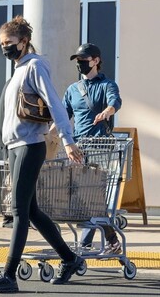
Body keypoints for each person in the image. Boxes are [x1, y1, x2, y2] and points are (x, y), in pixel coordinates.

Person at [0, 15, 84, 293]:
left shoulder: (35, 65)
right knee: (32, 211)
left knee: (18, 212)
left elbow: (54, 103)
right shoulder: (18, 69)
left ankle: (9, 276)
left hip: (30, 145)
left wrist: (67, 139)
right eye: (2, 44)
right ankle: (70, 258)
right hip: (15, 147)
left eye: (9, 43)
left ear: (24, 41)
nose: (5, 48)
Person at [50, 43, 122, 255]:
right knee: (81, 197)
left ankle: (92, 243)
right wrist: (47, 135)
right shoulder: (73, 90)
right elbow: (63, 116)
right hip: (78, 147)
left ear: (96, 61)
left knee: (92, 196)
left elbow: (115, 101)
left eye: (84, 60)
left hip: (100, 146)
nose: (80, 64)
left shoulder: (107, 84)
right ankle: (106, 241)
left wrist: (107, 111)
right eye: (78, 61)